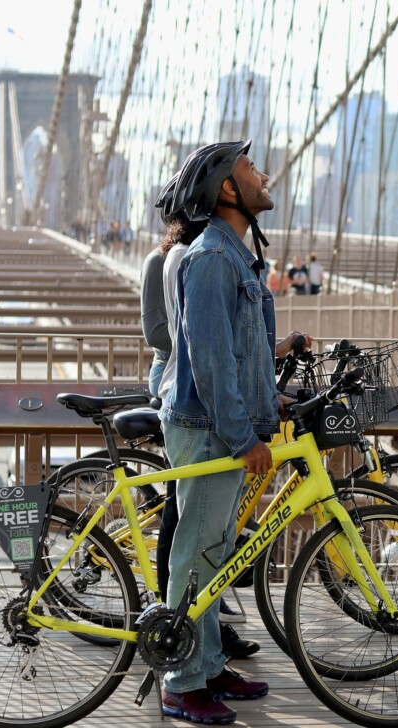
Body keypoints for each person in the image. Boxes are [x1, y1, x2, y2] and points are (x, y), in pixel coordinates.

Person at [154, 139, 309, 724]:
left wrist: (272, 398)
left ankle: (209, 662)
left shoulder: (234, 257)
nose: (264, 174)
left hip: (217, 423)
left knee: (215, 554)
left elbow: (238, 355)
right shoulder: (213, 260)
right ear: (226, 189)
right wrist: (245, 437)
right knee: (196, 557)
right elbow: (211, 361)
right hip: (205, 426)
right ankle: (182, 681)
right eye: (250, 168)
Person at [141, 245, 262, 663]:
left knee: (207, 543)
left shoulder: (218, 254)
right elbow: (166, 335)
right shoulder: (183, 258)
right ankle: (180, 642)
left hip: (204, 396)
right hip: (181, 387)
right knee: (186, 529)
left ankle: (206, 646)